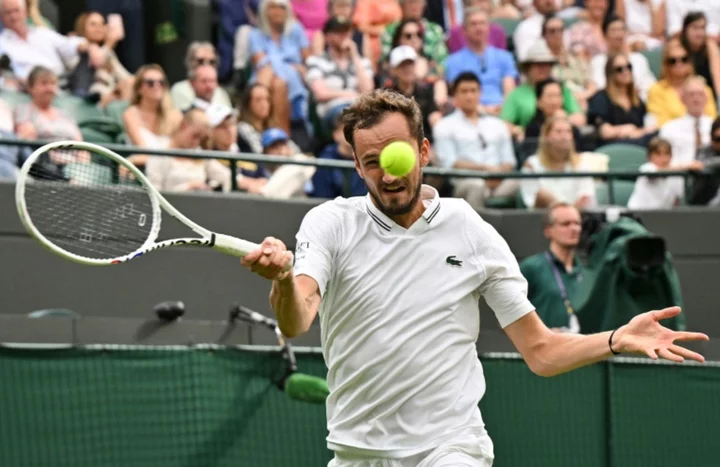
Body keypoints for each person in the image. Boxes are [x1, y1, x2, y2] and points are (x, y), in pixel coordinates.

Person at [240, 89, 708, 467]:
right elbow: (298, 319)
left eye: (396, 154)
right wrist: (282, 280)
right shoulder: (330, 223)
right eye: (370, 161)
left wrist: (616, 339)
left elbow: (541, 352)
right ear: (358, 167)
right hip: (357, 453)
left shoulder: (470, 230)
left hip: (450, 448)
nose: (386, 172)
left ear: (422, 150)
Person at [434, 72, 518, 209]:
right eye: (464, 91)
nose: (469, 96)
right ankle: (475, 231)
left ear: (480, 93)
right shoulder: (444, 126)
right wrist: (485, 171)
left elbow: (509, 161)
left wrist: (496, 174)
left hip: (499, 181)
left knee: (524, 183)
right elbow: (450, 164)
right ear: (455, 95)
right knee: (476, 185)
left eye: (473, 91)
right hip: (465, 183)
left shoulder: (498, 124)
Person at [0, 0, 101, 88]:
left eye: (16, 11)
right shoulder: (2, 43)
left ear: (26, 12)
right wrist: (7, 82)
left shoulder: (42, 33)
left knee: (88, 59)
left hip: (61, 81)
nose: (13, 16)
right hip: (30, 88)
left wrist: (90, 47)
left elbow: (69, 44)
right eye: (7, 13)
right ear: (1, 17)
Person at [500, 40, 585, 141]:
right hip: (531, 138)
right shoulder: (516, 94)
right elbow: (504, 124)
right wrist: (518, 130)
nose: (544, 69)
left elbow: (579, 117)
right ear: (528, 68)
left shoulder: (561, 89)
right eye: (538, 65)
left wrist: (561, 119)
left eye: (547, 65)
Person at [520, 202, 583, 333]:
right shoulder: (531, 268)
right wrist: (543, 333)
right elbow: (507, 316)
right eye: (566, 224)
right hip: (547, 349)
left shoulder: (587, 270)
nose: (574, 228)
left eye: (577, 223)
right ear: (548, 231)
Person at [249, 0, 311, 132]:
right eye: (273, 7)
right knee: (278, 82)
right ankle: (281, 134)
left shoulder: (296, 30)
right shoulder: (255, 34)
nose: (278, 12)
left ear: (288, 10)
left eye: (282, 7)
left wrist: (299, 69)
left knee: (280, 83)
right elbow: (260, 62)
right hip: (266, 76)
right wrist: (288, 68)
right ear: (264, 11)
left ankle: (272, 131)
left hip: (294, 79)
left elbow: (308, 60)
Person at [445, 7, 517, 114]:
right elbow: (458, 94)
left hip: (502, 112)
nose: (478, 28)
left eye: (482, 23)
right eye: (473, 24)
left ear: (488, 28)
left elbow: (510, 93)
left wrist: (500, 109)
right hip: (468, 112)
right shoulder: (453, 61)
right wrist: (481, 110)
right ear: (464, 30)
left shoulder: (505, 57)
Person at [305, 16, 374, 124]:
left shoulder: (362, 62)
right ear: (327, 36)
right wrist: (350, 94)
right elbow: (321, 93)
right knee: (348, 115)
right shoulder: (316, 61)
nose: (343, 36)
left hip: (360, 109)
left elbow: (367, 91)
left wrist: (355, 56)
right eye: (338, 32)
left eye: (346, 31)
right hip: (333, 111)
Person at [144, 108, 231, 193]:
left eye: (201, 139)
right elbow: (154, 193)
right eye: (195, 135)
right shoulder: (160, 152)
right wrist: (188, 187)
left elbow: (225, 176)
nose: (196, 142)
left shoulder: (199, 153)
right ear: (183, 125)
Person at [520, 115, 595, 209]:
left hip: (577, 217)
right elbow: (531, 201)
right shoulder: (531, 165)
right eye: (558, 132)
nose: (565, 136)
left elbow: (586, 197)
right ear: (547, 136)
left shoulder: (581, 163)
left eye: (568, 131)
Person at [587, 52, 657, 146]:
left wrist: (639, 132)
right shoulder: (601, 98)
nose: (626, 71)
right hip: (614, 145)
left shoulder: (636, 100)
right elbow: (604, 131)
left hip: (638, 143)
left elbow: (645, 124)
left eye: (629, 67)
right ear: (610, 73)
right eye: (619, 69)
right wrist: (624, 130)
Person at [646, 38, 717, 127]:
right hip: (672, 136)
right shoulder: (656, 90)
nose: (679, 64)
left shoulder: (702, 87)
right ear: (666, 64)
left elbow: (712, 118)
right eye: (673, 61)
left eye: (684, 59)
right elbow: (660, 121)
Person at [122, 64, 183, 167]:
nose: (157, 86)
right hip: (144, 171)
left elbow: (181, 149)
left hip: (172, 170)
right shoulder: (131, 113)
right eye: (150, 83)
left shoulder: (175, 115)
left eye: (161, 82)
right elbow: (144, 151)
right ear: (139, 89)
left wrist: (133, 160)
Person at [73, 11, 133, 107]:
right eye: (93, 24)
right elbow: (97, 60)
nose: (99, 28)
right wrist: (110, 42)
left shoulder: (107, 51)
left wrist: (141, 80)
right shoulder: (76, 44)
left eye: (102, 24)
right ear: (83, 27)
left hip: (111, 95)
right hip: (88, 95)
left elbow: (124, 76)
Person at [306, 104, 367, 198]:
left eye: (355, 128)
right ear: (335, 134)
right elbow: (322, 198)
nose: (350, 133)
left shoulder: (369, 157)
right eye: (345, 129)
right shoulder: (325, 161)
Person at [589, 15, 656, 100]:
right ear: (604, 35)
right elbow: (598, 87)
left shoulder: (639, 59)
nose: (618, 34)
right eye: (614, 30)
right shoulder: (597, 61)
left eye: (622, 30)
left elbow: (650, 87)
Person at [627, 136, 702, 210]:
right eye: (658, 154)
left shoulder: (676, 175)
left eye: (666, 154)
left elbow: (676, 200)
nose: (663, 158)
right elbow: (658, 172)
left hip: (661, 217)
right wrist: (686, 166)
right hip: (637, 214)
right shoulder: (646, 167)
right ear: (649, 156)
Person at [386, 46, 443, 142]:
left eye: (410, 64)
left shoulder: (426, 91)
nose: (407, 69)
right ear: (393, 70)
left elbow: (433, 115)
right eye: (402, 65)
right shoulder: (387, 95)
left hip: (424, 141)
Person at [14, 66, 83, 143]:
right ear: (30, 87)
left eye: (53, 83)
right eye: (44, 83)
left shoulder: (64, 114)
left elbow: (80, 142)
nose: (49, 88)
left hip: (74, 153)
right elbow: (27, 140)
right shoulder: (24, 110)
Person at [543, 14, 595, 111]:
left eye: (560, 30)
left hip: (583, 98)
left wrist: (584, 95)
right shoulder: (541, 63)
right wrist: (570, 98)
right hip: (557, 104)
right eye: (552, 31)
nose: (557, 34)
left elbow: (590, 83)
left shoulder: (576, 59)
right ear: (544, 35)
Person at [659, 76, 715, 165]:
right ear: (682, 98)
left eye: (700, 94)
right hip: (679, 175)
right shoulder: (669, 128)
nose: (696, 99)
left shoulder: (715, 127)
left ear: (707, 98)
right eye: (691, 94)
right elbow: (662, 161)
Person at [236, 83, 302, 155]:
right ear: (248, 104)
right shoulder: (243, 127)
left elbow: (295, 150)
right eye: (259, 100)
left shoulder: (273, 127)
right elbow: (259, 153)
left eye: (267, 99)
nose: (264, 104)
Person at [170, 42, 232, 112]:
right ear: (190, 62)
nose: (206, 64)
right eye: (201, 61)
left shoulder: (221, 93)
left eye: (212, 62)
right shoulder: (179, 89)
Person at [680, 12, 720, 103]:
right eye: (695, 28)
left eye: (702, 28)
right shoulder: (679, 47)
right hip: (684, 96)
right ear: (685, 29)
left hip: (708, 97)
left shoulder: (710, 47)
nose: (699, 32)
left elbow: (717, 76)